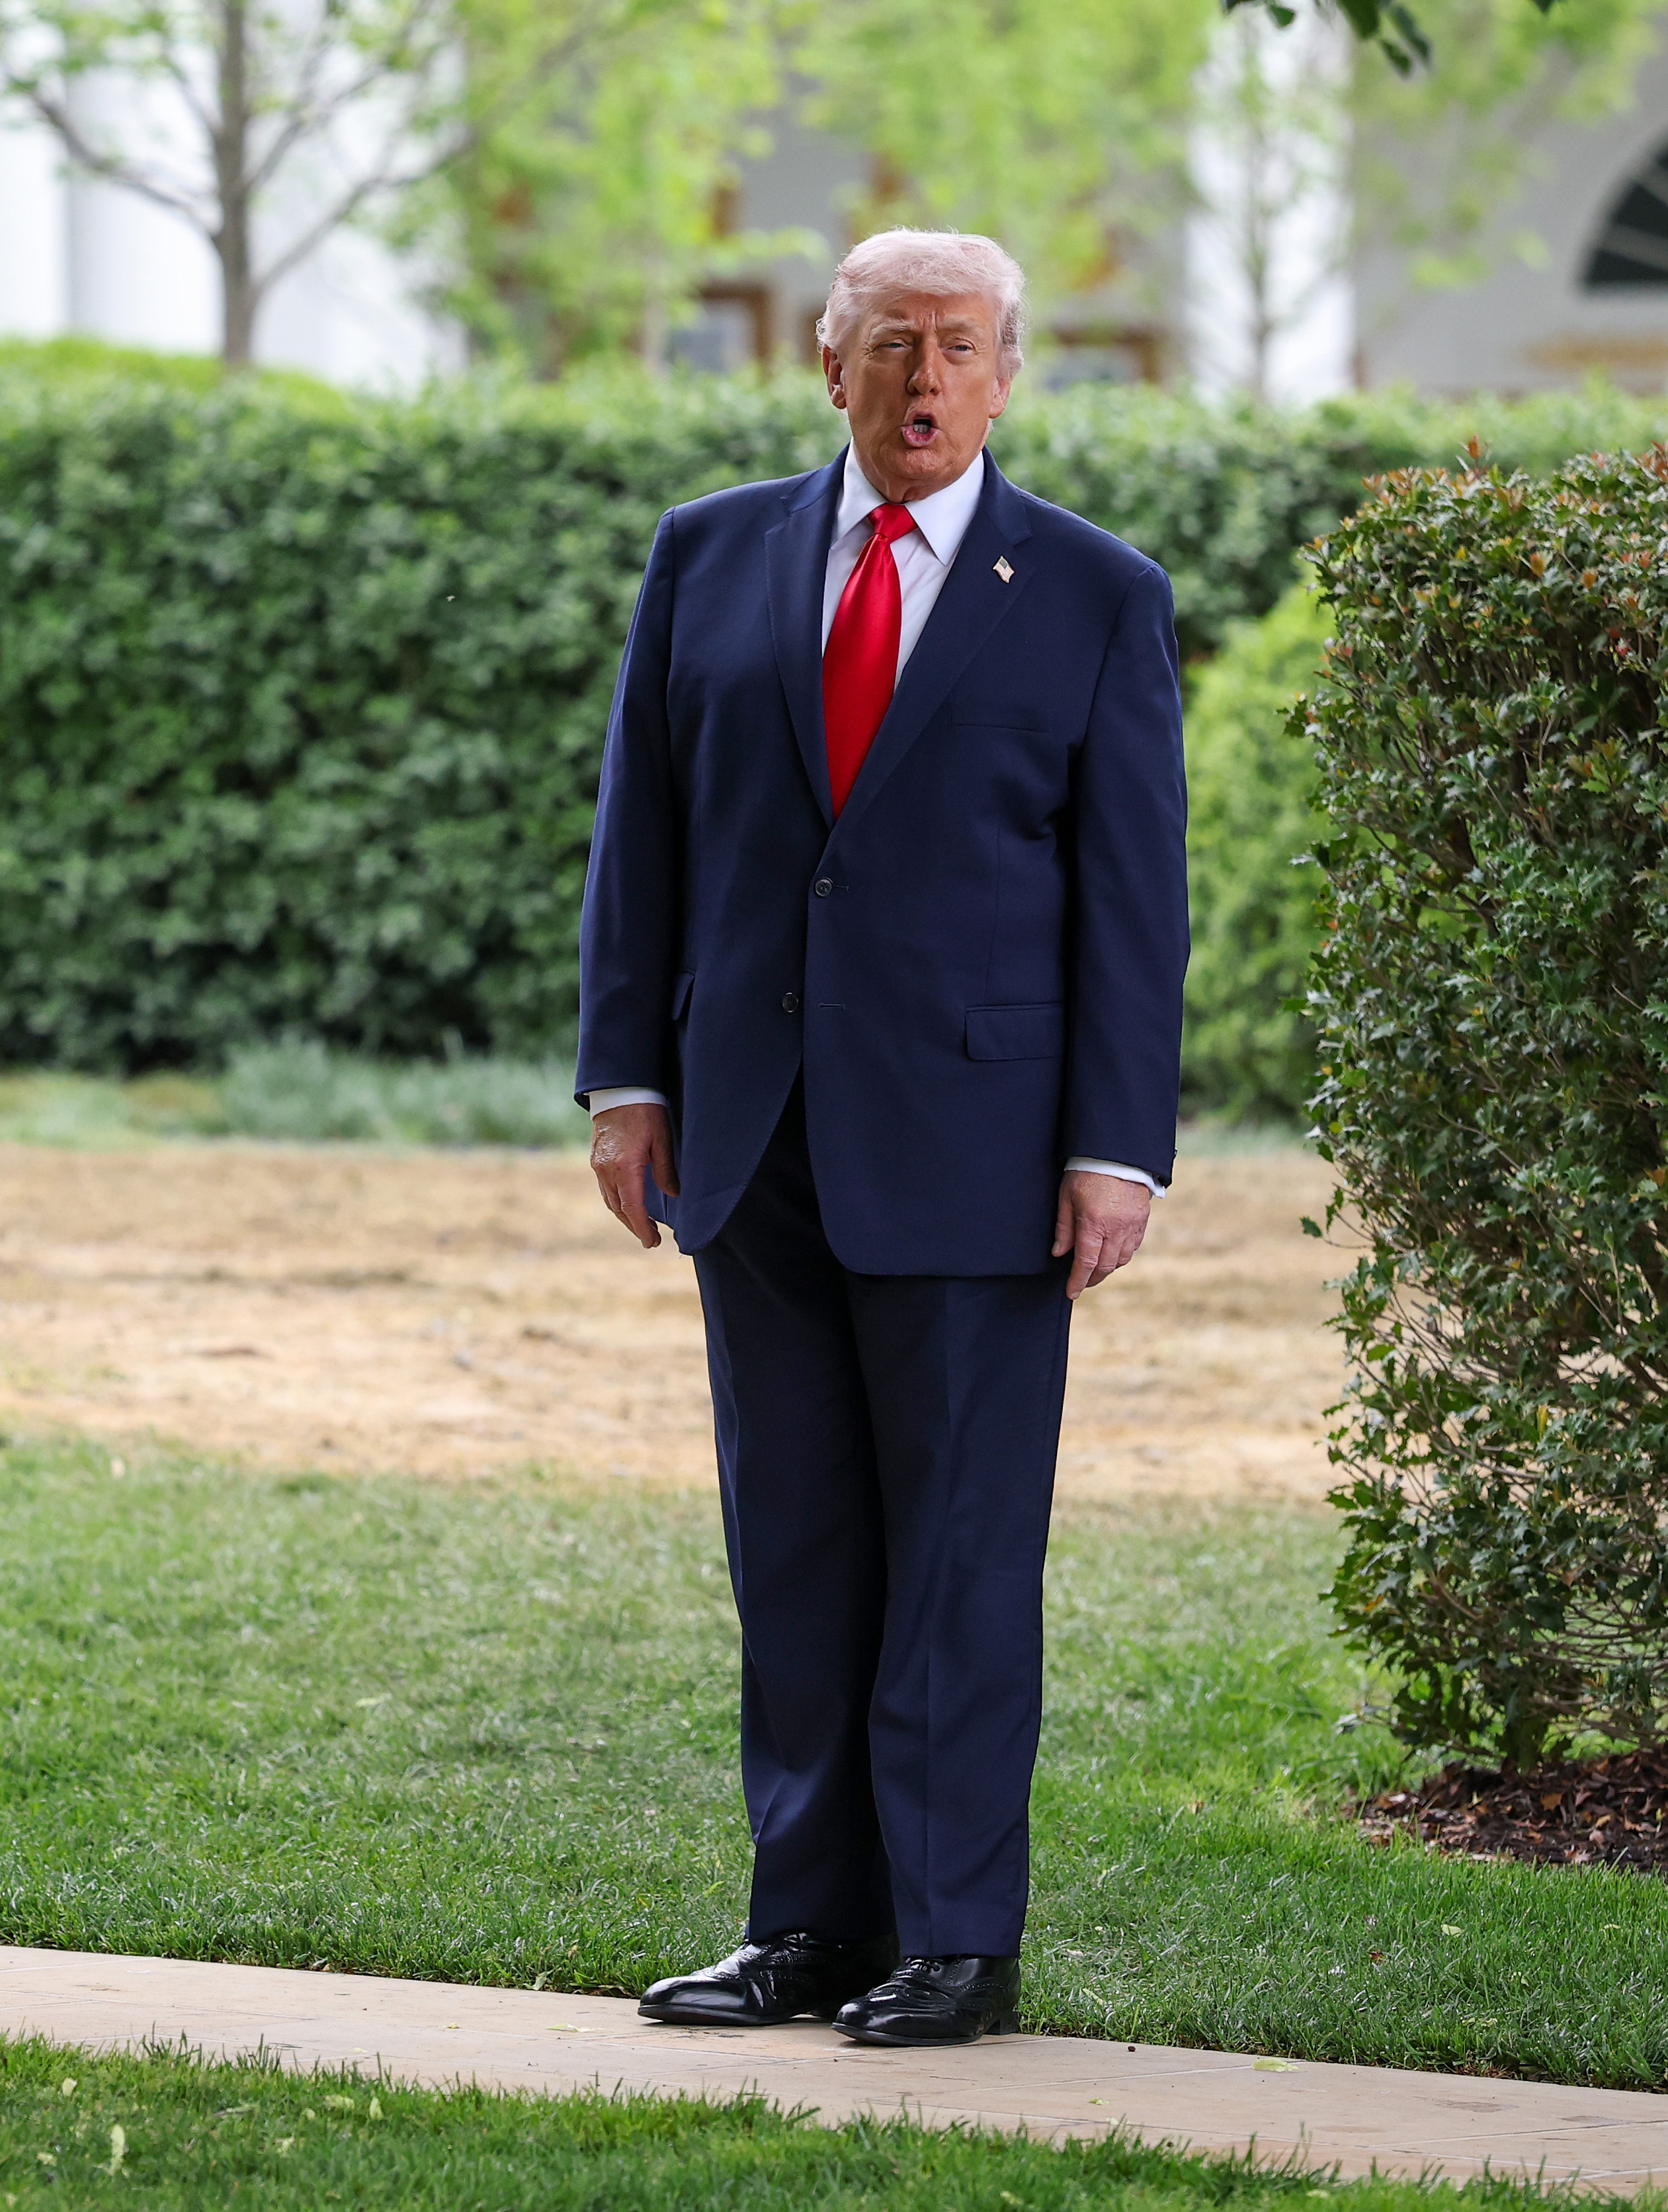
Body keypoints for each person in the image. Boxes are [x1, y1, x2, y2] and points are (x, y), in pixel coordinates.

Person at [574, 229, 1187, 2047]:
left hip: (982, 1150)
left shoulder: (1089, 592)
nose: (924, 381)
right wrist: (626, 1080)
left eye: (962, 349)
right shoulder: (707, 556)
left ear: (1008, 376)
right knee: (800, 1548)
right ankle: (804, 1932)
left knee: (960, 1560)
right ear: (824, 363)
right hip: (747, 1143)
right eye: (891, 345)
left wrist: (1114, 1148)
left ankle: (954, 1943)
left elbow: (1131, 901)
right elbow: (647, 837)